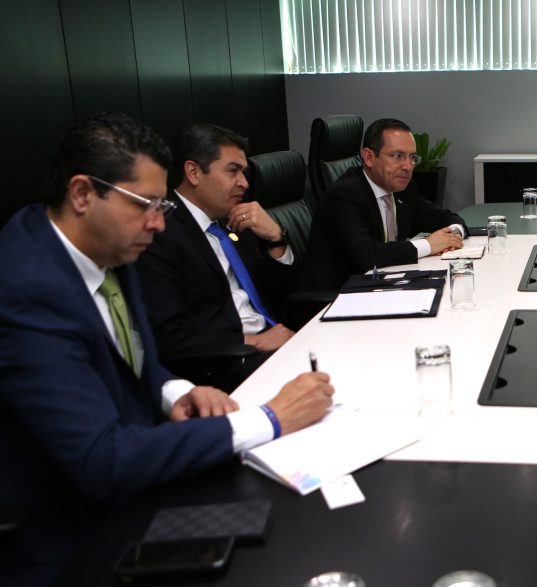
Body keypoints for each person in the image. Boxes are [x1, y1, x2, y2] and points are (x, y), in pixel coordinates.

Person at [0, 113, 334, 586]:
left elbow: (133, 357)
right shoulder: (24, 291)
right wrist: (272, 418)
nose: (158, 223)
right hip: (75, 540)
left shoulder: (107, 242)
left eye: (162, 206)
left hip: (140, 485)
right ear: (82, 194)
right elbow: (102, 461)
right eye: (146, 205)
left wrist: (174, 390)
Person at [137, 124, 297, 390]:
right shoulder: (160, 233)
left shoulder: (234, 219)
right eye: (233, 171)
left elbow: (283, 296)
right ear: (193, 172)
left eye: (244, 172)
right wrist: (254, 341)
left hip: (279, 340)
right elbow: (168, 335)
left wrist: (276, 237)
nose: (244, 182)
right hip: (227, 365)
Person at [302, 118, 467, 291]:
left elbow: (443, 217)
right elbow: (368, 256)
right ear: (369, 157)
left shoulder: (402, 187)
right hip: (342, 295)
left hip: (385, 284)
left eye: (412, 157)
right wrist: (428, 245)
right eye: (398, 156)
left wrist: (453, 236)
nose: (407, 166)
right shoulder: (344, 196)